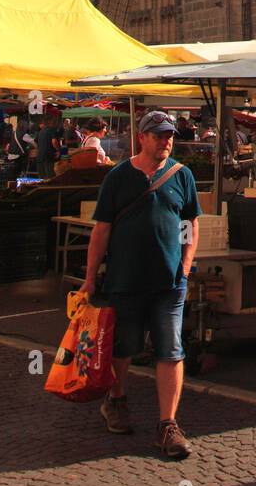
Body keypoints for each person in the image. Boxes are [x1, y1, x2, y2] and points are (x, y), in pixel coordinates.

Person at [83, 111, 200, 459]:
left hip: (169, 282)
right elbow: (101, 229)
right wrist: (90, 277)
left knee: (171, 349)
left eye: (170, 136)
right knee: (124, 347)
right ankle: (116, 400)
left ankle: (168, 425)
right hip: (126, 279)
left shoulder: (182, 176)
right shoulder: (119, 177)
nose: (166, 141)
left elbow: (189, 222)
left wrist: (186, 265)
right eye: (159, 135)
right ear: (142, 138)